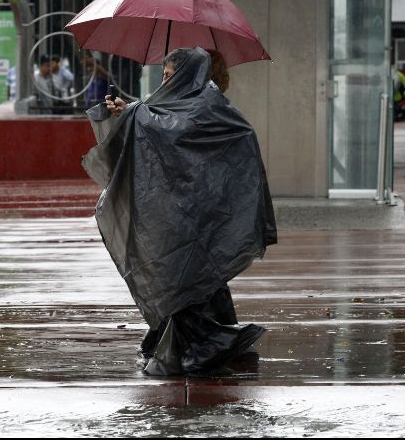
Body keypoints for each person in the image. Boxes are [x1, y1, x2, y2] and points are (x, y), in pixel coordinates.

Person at [86, 47, 277, 376]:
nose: (165, 82)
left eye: (170, 76)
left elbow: (174, 129)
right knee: (188, 276)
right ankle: (210, 334)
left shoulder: (207, 103)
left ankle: (210, 341)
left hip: (198, 214)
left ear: (189, 76)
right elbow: (159, 125)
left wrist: (132, 113)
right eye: (163, 75)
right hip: (177, 212)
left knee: (186, 277)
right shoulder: (176, 105)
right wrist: (127, 112)